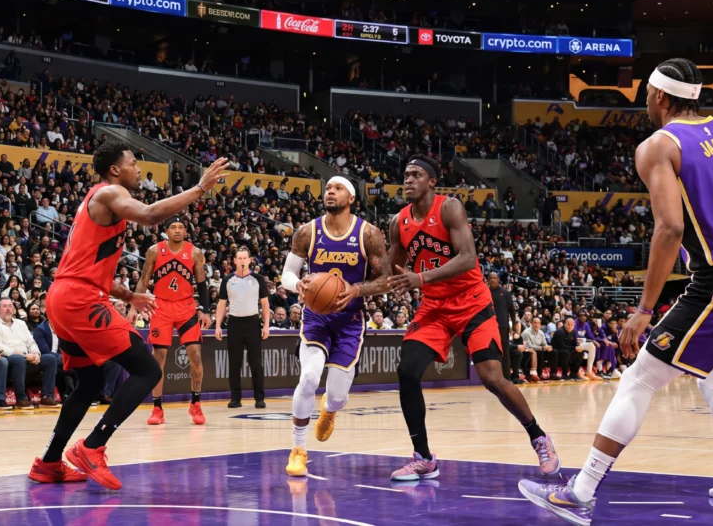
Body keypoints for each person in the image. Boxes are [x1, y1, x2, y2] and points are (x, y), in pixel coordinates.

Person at [519, 58, 713, 526]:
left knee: (639, 380)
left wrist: (644, 308)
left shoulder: (659, 144)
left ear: (658, 96)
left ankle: (580, 492)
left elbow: (670, 228)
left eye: (645, 96)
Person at [31, 143, 227, 489]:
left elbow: (89, 266)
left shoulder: (99, 203)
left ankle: (48, 462)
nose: (139, 169)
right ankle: (93, 446)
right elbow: (150, 215)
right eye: (133, 163)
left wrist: (129, 295)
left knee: (90, 382)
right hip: (80, 299)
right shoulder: (110, 193)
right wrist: (200, 188)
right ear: (115, 170)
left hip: (64, 296)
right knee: (148, 369)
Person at [384, 155, 559, 480]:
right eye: (406, 174)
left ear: (431, 182)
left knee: (492, 378)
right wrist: (350, 289)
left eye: (416, 174)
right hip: (435, 307)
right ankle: (423, 457)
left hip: (471, 301)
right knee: (407, 371)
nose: (408, 179)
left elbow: (467, 258)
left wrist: (420, 278)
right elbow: (389, 273)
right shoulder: (399, 222)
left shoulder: (449, 208)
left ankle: (538, 437)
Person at [278, 176, 389, 477]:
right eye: (328, 188)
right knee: (309, 377)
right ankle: (298, 449)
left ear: (351, 198)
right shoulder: (308, 231)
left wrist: (356, 290)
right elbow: (287, 274)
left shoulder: (368, 234)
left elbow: (385, 280)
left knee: (338, 395)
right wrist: (298, 285)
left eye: (338, 188)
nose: (330, 192)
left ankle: (330, 409)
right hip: (316, 317)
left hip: (349, 321)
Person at [132, 216, 211, 426]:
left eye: (181, 227)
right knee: (158, 357)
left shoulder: (195, 253)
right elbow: (144, 280)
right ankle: (157, 408)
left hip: (186, 307)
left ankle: (196, 403)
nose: (177, 230)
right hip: (161, 307)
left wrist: (206, 311)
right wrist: (133, 307)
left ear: (185, 231)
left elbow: (202, 284)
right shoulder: (154, 251)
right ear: (166, 231)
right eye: (173, 227)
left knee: (195, 354)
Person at [214, 247, 271, 410]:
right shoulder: (228, 280)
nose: (242, 261)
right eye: (239, 258)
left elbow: (265, 303)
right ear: (234, 261)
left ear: (250, 260)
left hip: (253, 322)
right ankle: (235, 398)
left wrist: (266, 325)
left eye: (244, 258)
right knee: (234, 362)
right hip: (234, 323)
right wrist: (217, 325)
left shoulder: (258, 279)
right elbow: (221, 304)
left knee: (256, 362)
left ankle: (259, 398)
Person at [0, 297, 59, 409]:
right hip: (8, 360)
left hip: (27, 358)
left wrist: (36, 353)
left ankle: (47, 396)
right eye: (4, 306)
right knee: (18, 359)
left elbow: (31, 342)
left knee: (50, 359)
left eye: (10, 306)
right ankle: (21, 398)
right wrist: (24, 355)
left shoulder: (20, 323)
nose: (8, 309)